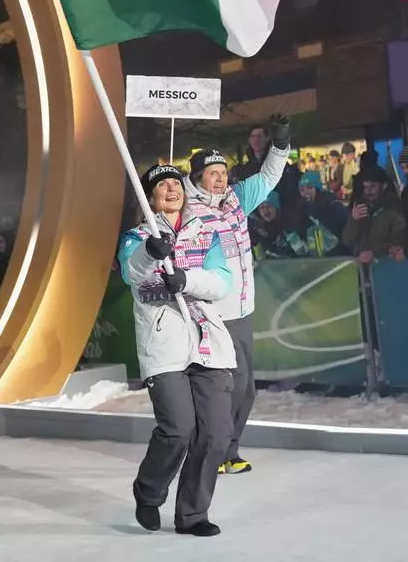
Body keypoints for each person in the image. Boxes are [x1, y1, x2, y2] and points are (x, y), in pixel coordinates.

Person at [120, 164, 235, 538]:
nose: (171, 189)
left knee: (216, 433)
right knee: (178, 429)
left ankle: (192, 514)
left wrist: (187, 280)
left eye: (176, 183)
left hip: (207, 342)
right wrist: (152, 254)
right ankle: (149, 492)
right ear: (149, 197)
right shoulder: (137, 236)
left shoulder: (205, 231)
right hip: (164, 344)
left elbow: (221, 281)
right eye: (162, 185)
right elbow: (132, 273)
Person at [185, 115, 291, 476]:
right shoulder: (187, 209)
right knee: (219, 388)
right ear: (198, 176)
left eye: (222, 171)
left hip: (241, 310)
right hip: (209, 312)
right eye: (212, 172)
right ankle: (209, 450)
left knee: (244, 389)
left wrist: (279, 146)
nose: (219, 178)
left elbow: (267, 178)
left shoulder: (235, 200)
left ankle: (229, 450)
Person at [342, 167, 407, 264]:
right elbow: (347, 241)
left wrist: (375, 253)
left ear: (384, 186)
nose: (368, 191)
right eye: (366, 187)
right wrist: (353, 220)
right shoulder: (360, 207)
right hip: (362, 268)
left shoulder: (394, 211)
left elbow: (399, 243)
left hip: (386, 267)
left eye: (373, 186)